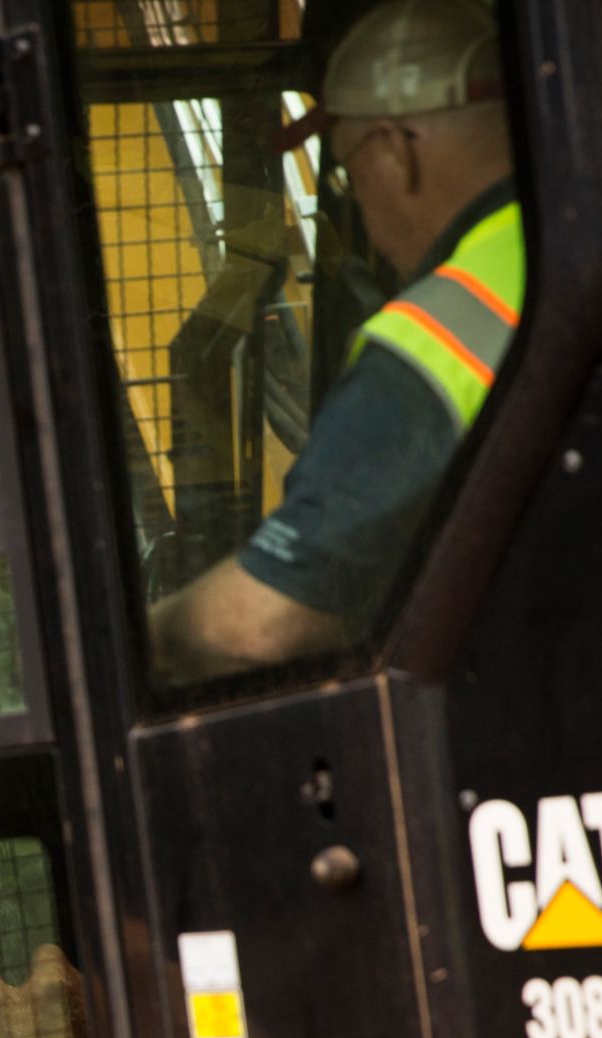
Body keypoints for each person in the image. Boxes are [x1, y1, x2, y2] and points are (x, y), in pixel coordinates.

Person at [148, 0, 522, 682]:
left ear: (397, 151)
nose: (364, 219)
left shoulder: (432, 339)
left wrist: (136, 642)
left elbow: (258, 625)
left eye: (346, 175)